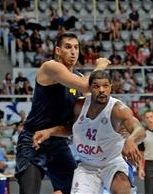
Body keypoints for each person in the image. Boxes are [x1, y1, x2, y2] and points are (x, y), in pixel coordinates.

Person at [15, 32, 110, 194]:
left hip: (57, 143)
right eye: (68, 47)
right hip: (33, 140)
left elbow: (71, 127)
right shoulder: (50, 67)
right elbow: (85, 85)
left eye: (76, 47)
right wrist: (100, 66)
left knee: (75, 190)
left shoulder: (79, 77)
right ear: (58, 51)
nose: (73, 51)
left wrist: (51, 131)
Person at [32, 70, 146, 194]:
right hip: (87, 166)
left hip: (112, 163)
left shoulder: (118, 109)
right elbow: (71, 128)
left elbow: (139, 129)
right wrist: (50, 131)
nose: (101, 90)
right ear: (89, 88)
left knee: (122, 188)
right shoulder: (80, 106)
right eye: (96, 86)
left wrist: (131, 139)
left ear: (110, 88)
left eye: (105, 86)